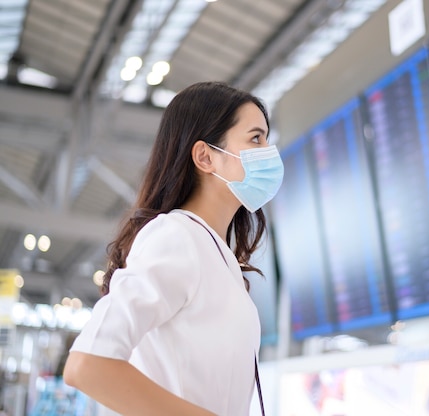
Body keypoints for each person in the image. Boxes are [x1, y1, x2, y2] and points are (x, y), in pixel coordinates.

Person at [63, 81, 284, 416]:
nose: (269, 151)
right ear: (205, 156)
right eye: (256, 138)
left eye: (267, 138)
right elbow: (89, 363)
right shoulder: (176, 237)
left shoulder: (215, 253)